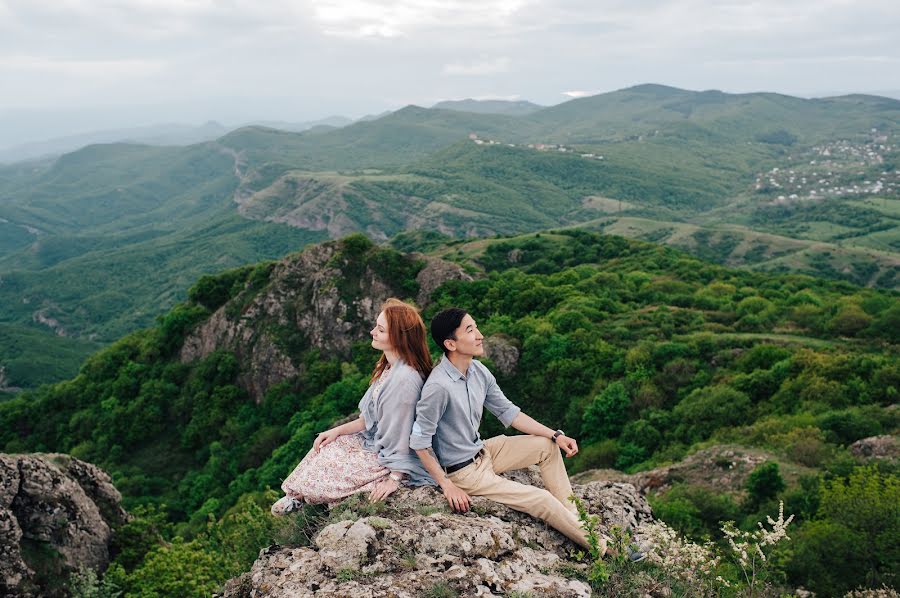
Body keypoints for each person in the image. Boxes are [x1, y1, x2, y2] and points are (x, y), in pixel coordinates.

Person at [411, 308, 629, 557]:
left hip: (482, 452)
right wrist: (446, 485)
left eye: (476, 327)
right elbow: (419, 442)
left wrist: (556, 435)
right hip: (463, 473)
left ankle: (574, 518)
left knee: (547, 446)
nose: (480, 335)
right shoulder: (438, 387)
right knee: (542, 500)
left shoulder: (478, 371)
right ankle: (603, 549)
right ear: (451, 343)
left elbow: (509, 413)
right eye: (470, 330)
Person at [271, 298, 435, 514]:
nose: (372, 332)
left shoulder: (405, 380)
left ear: (399, 337)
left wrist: (395, 478)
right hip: (378, 440)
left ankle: (312, 496)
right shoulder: (390, 366)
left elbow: (403, 435)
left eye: (380, 330)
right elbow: (369, 419)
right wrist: (336, 431)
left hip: (396, 453)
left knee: (334, 467)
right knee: (328, 446)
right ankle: (298, 496)